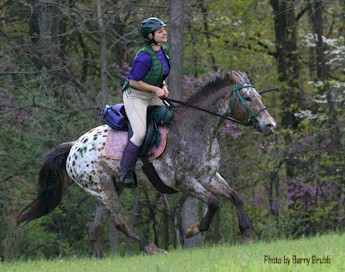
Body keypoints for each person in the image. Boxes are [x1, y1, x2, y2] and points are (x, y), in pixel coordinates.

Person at [119, 17, 170, 188]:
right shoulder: (144, 57)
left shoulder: (163, 50)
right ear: (150, 36)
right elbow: (133, 81)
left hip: (152, 93)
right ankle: (125, 171)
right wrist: (156, 90)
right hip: (136, 96)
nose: (164, 32)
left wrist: (163, 85)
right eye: (159, 31)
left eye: (163, 29)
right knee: (139, 133)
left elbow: (160, 74)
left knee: (172, 118)